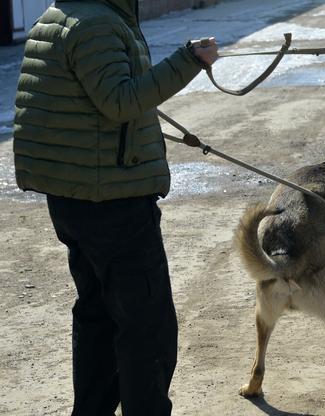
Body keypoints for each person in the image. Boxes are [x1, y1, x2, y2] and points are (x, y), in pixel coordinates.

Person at [13, 0, 218, 414]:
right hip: (111, 200)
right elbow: (120, 101)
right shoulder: (96, 25)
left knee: (100, 318)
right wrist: (188, 60)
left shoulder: (65, 16)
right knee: (147, 330)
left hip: (79, 195)